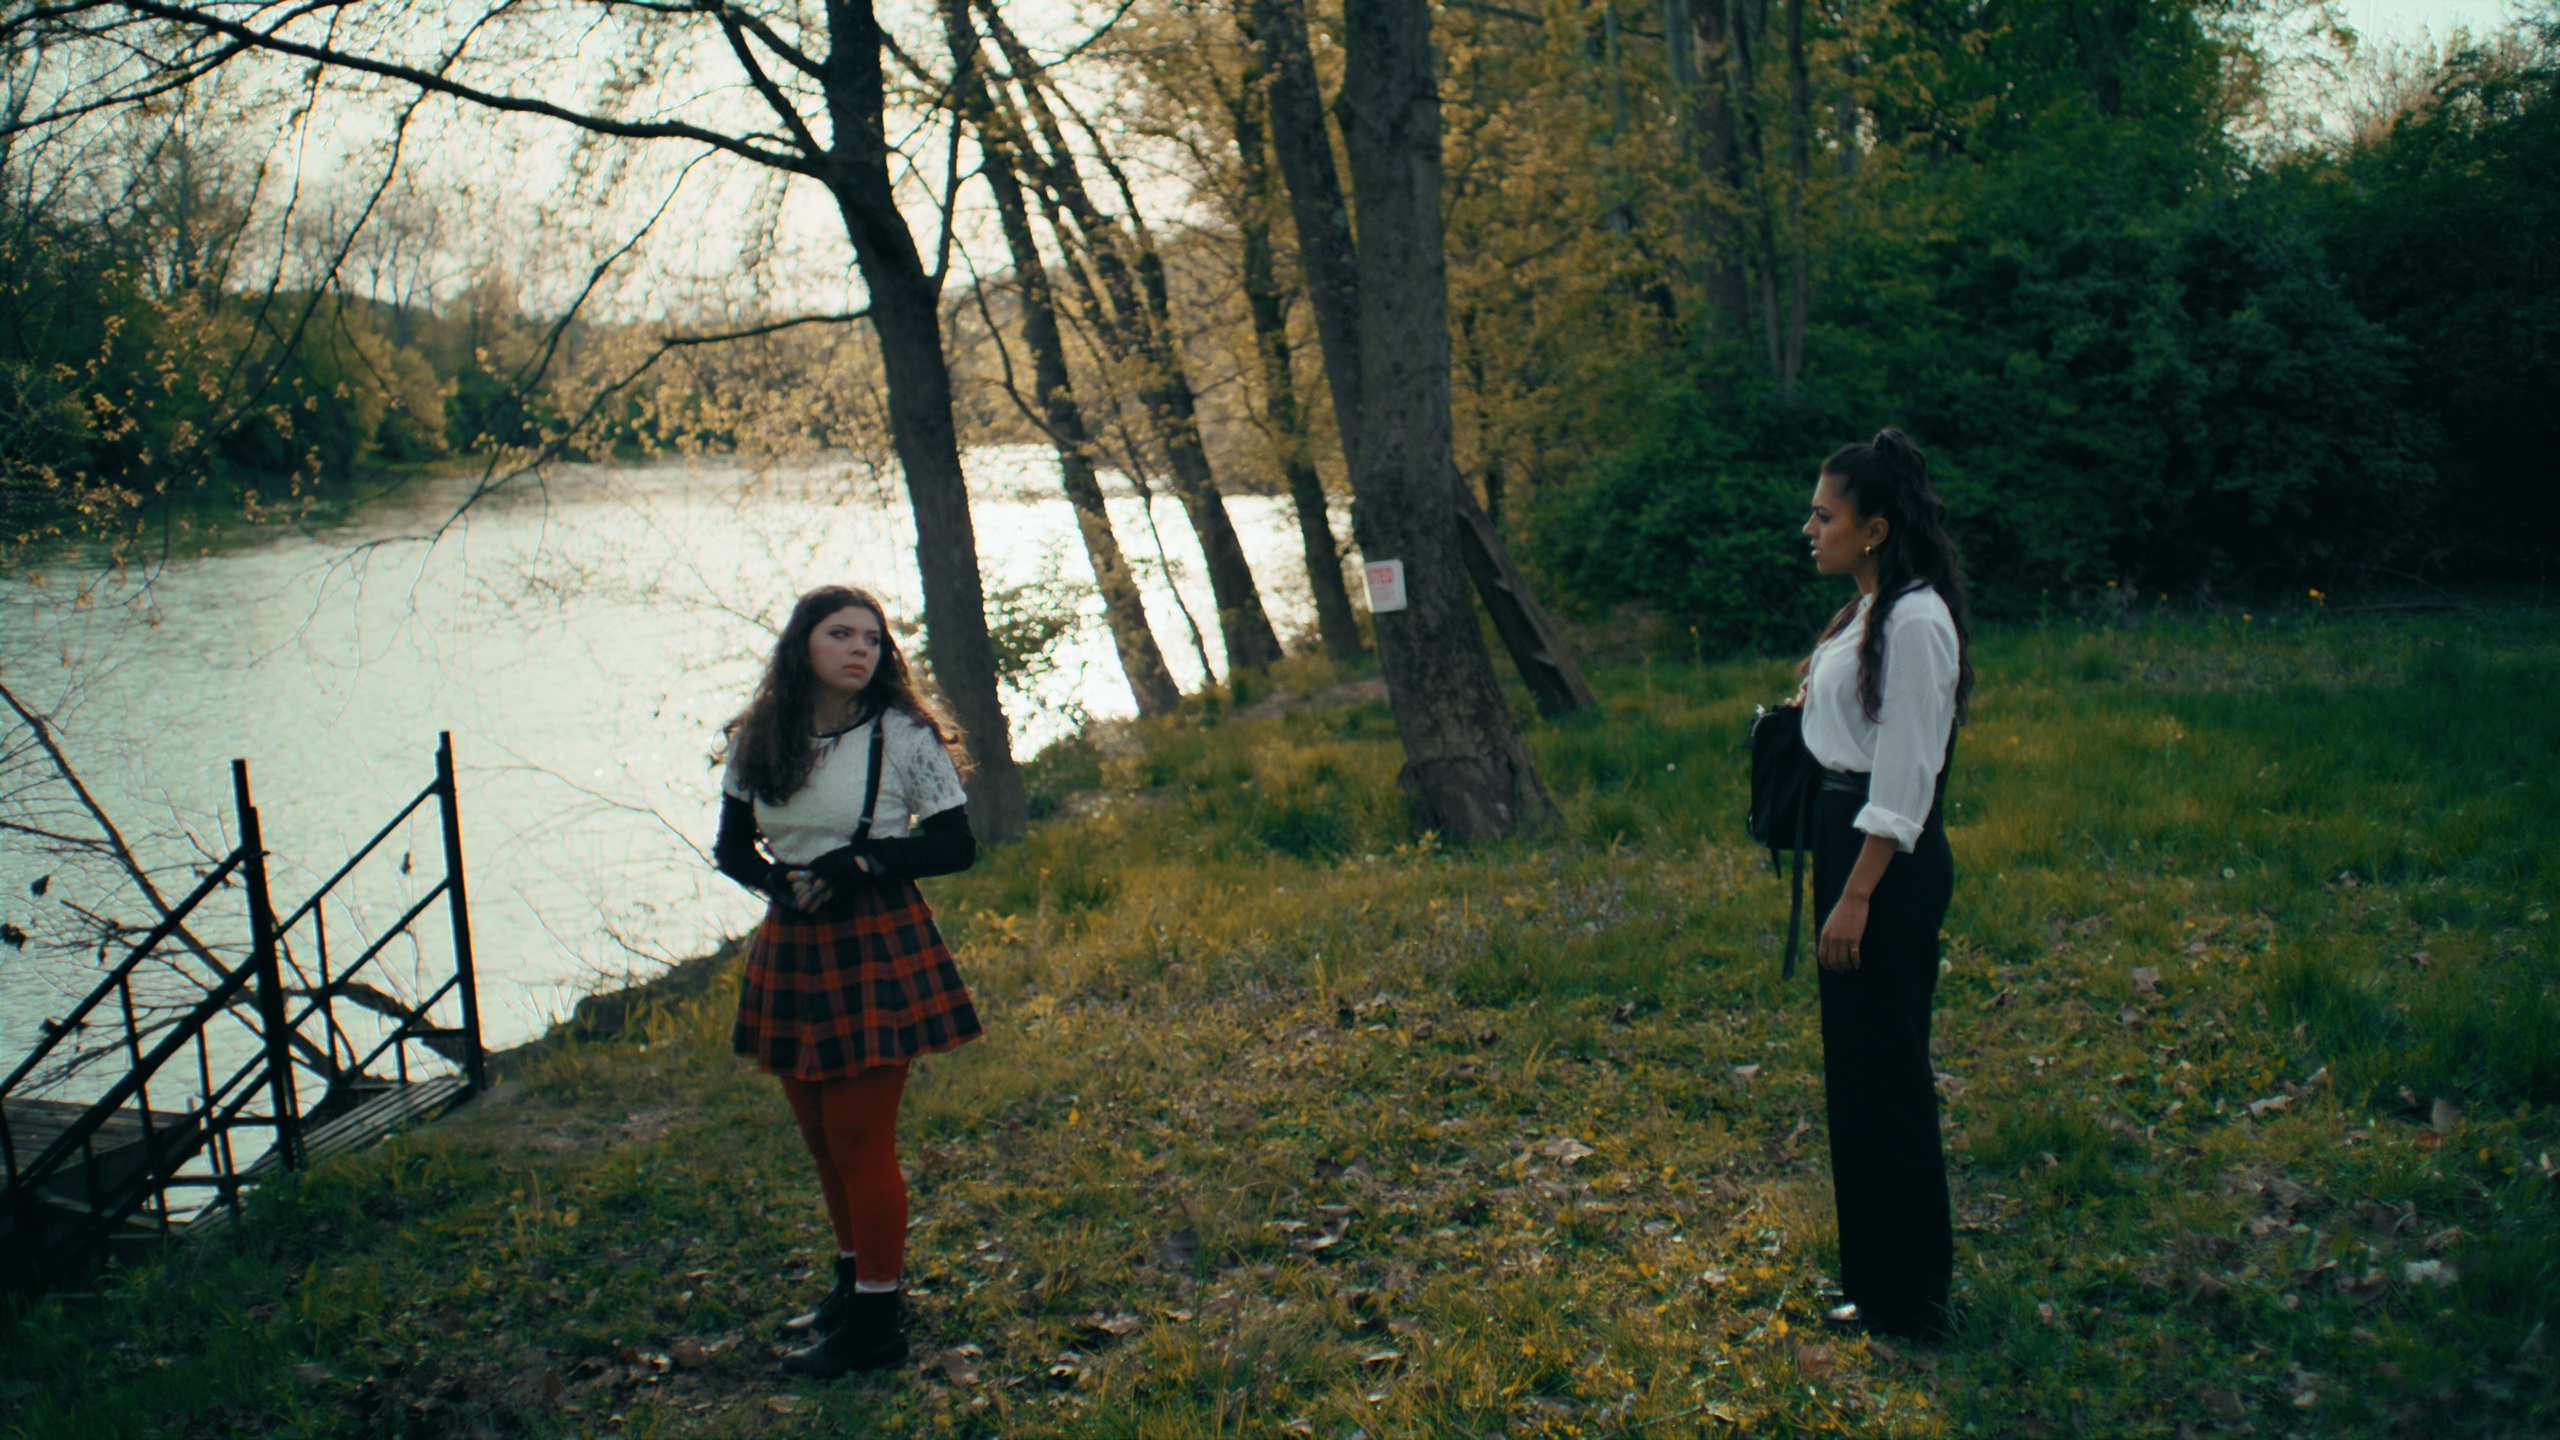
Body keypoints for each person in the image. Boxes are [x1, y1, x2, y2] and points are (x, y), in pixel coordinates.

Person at [712, 584, 983, 1377]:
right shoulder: (761, 736)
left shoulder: (904, 736)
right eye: (841, 634)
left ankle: (877, 1325)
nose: (861, 649)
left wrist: (860, 863)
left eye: (872, 638)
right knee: (823, 1141)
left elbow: (956, 845)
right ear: (803, 644)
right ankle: (851, 1286)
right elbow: (733, 849)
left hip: (875, 938)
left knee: (861, 1143)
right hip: (793, 939)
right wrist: (777, 882)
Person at [1794, 429, 1972, 1338]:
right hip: (1847, 845)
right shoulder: (1866, 611)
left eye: (1825, 515)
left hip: (1885, 866)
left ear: (1874, 529)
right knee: (1856, 1075)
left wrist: (1857, 894)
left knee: (1888, 1074)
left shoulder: (1916, 621)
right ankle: (1877, 1281)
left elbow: (1905, 779)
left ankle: (1914, 1299)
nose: (1810, 529)